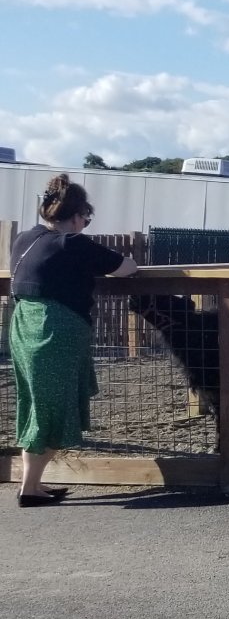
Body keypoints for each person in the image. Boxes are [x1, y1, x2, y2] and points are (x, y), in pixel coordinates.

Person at [9, 174, 138, 506]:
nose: (85, 223)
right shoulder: (73, 243)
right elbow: (126, 268)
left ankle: (32, 485)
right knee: (53, 407)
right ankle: (30, 489)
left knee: (37, 403)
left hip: (24, 325)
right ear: (78, 215)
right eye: (86, 217)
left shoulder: (25, 238)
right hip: (56, 331)